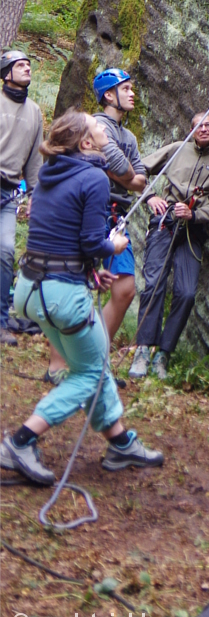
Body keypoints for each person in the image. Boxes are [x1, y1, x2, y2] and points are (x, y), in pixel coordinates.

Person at [0, 112, 162, 485]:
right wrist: (114, 245)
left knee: (94, 358)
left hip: (31, 288)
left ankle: (120, 441)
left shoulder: (48, 175)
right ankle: (21, 441)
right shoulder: (93, 177)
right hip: (61, 295)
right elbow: (92, 241)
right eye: (97, 129)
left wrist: (90, 271)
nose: (103, 130)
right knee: (88, 371)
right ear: (86, 144)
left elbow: (56, 234)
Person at [46, 68, 147, 383]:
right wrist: (123, 173)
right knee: (77, 285)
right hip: (90, 210)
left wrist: (122, 173)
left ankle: (92, 360)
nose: (132, 93)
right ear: (109, 94)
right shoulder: (95, 126)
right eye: (126, 88)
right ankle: (58, 365)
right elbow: (122, 171)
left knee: (125, 289)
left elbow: (139, 180)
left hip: (118, 216)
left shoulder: (127, 136)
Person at [128, 112, 209, 381]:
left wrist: (196, 215)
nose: (203, 129)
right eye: (198, 125)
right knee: (154, 285)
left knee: (186, 293)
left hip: (193, 230)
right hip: (164, 223)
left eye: (208, 125)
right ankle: (142, 350)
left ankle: (163, 353)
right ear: (191, 130)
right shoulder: (177, 149)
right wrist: (150, 197)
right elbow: (139, 170)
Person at [0, 49, 43, 346]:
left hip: (8, 192)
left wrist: (34, 196)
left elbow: (34, 162)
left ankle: (1, 321)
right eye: (19, 64)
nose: (26, 67)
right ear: (5, 74)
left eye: (28, 64)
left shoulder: (36, 112)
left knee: (4, 254)